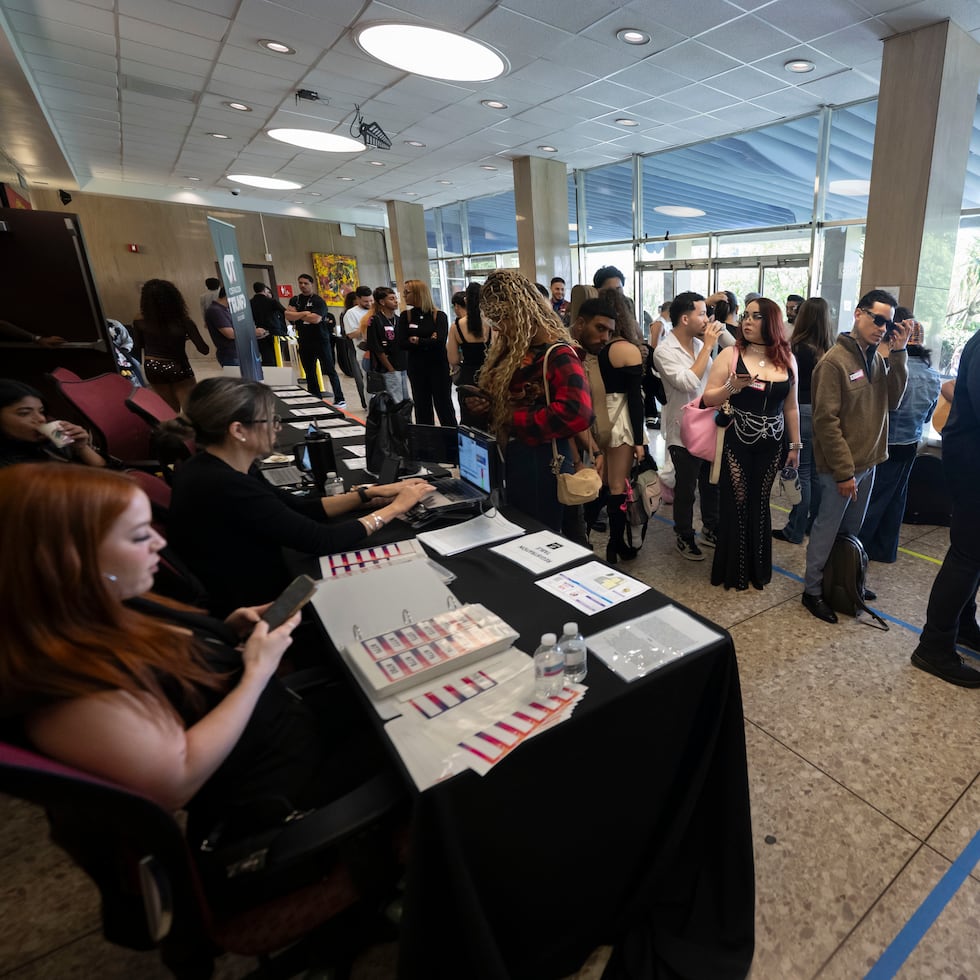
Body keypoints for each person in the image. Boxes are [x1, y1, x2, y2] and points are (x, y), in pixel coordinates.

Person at [0, 463, 393, 858]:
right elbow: (178, 779)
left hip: (278, 727)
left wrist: (227, 631)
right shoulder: (69, 691)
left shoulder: (101, 606)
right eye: (138, 536)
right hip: (274, 793)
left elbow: (167, 672)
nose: (158, 543)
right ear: (65, 560)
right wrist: (257, 671)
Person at [166, 378, 432, 615]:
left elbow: (299, 506)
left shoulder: (222, 466)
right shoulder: (224, 485)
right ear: (238, 431)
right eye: (270, 420)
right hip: (257, 606)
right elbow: (322, 540)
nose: (277, 428)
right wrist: (396, 508)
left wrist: (368, 494)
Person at [801, 290, 911, 623]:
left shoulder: (874, 357)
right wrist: (844, 472)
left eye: (887, 323)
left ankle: (845, 578)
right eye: (877, 319)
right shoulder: (834, 361)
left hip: (869, 461)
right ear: (858, 314)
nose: (882, 328)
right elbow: (825, 422)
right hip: (842, 467)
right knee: (827, 527)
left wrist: (900, 352)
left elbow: (893, 401)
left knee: (851, 528)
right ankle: (813, 590)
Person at [464, 269, 593, 532]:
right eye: (494, 320)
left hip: (543, 461)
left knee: (538, 534)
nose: (498, 327)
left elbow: (577, 412)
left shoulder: (558, 354)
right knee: (519, 528)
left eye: (503, 319)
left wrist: (512, 417)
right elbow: (509, 402)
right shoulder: (514, 349)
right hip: (515, 456)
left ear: (523, 313)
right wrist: (487, 407)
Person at [701, 298, 801, 591]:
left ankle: (758, 570)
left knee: (760, 503)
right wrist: (733, 386)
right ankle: (735, 570)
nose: (747, 320)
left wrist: (796, 446)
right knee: (737, 501)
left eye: (756, 316)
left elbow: (791, 407)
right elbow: (707, 399)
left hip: (773, 442)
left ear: (771, 321)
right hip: (737, 439)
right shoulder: (731, 354)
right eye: (746, 315)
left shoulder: (787, 358)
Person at [911, 326, 980, 687]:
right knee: (967, 555)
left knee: (972, 555)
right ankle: (934, 645)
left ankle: (963, 625)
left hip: (969, 458)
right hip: (972, 463)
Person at [859, 315, 940, 563]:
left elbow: (880, 407)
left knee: (873, 501)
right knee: (896, 500)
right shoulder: (933, 375)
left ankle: (859, 549)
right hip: (911, 444)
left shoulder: (891, 369)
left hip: (886, 444)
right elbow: (928, 417)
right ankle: (885, 550)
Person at [653, 292, 726, 561]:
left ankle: (711, 527)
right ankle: (684, 534)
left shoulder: (700, 344)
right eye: (701, 313)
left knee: (711, 481)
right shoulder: (664, 351)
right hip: (682, 429)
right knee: (686, 487)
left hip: (708, 425)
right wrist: (707, 347)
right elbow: (687, 382)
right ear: (685, 318)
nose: (706, 319)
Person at [580, 294, 645, 564]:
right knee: (618, 484)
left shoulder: (590, 350)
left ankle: (581, 536)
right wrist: (641, 440)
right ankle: (615, 545)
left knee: (599, 482)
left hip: (594, 416)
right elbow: (636, 400)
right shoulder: (626, 350)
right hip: (621, 419)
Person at [773, 297, 836, 544]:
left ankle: (795, 529)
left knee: (801, 472)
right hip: (821, 412)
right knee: (815, 474)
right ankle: (809, 524)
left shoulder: (797, 348)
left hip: (800, 411)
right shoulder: (829, 349)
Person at [134, 278, 210, 409]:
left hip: (152, 366)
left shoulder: (139, 321)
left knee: (169, 409)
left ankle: (172, 429)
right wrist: (186, 336)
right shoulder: (184, 322)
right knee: (191, 409)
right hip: (178, 366)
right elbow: (204, 349)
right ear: (174, 299)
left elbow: (138, 346)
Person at [0, 379, 106, 468]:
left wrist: (81, 448)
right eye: (24, 413)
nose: (41, 419)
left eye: (41, 411)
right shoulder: (8, 466)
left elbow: (108, 473)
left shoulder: (51, 440)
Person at [397, 279, 457, 427]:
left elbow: (440, 341)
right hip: (417, 369)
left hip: (439, 368)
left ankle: (452, 441)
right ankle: (426, 443)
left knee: (444, 406)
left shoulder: (439, 316)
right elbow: (402, 343)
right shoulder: (406, 316)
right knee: (422, 408)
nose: (404, 295)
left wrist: (417, 341)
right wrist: (428, 340)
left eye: (407, 292)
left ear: (418, 293)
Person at [286, 274, 346, 406]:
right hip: (304, 340)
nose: (302, 285)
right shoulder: (295, 300)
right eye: (300, 283)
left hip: (321, 340)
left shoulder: (318, 301)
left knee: (330, 370)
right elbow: (288, 315)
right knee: (309, 371)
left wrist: (298, 315)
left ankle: (339, 397)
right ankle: (315, 396)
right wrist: (304, 313)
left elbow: (316, 319)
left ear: (311, 284)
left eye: (305, 283)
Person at [365, 286, 409, 402]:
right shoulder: (375, 320)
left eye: (395, 298)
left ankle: (406, 420)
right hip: (388, 368)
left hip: (402, 365)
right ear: (382, 302)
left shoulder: (399, 320)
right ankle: (396, 420)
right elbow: (377, 348)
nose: (395, 301)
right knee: (395, 399)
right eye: (391, 299)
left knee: (405, 399)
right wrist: (390, 368)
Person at [447, 282, 491, 393]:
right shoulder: (492, 323)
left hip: (468, 377)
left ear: (466, 301)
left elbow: (453, 359)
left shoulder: (456, 327)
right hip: (490, 376)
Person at [249, 283, 287, 367]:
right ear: (264, 290)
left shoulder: (250, 303)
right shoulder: (272, 302)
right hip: (275, 332)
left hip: (260, 332)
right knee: (277, 356)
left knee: (267, 357)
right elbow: (285, 312)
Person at [203, 288, 238, 367]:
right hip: (230, 354)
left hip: (235, 353)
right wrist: (253, 332)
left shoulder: (225, 309)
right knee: (235, 379)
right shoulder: (216, 310)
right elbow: (230, 334)